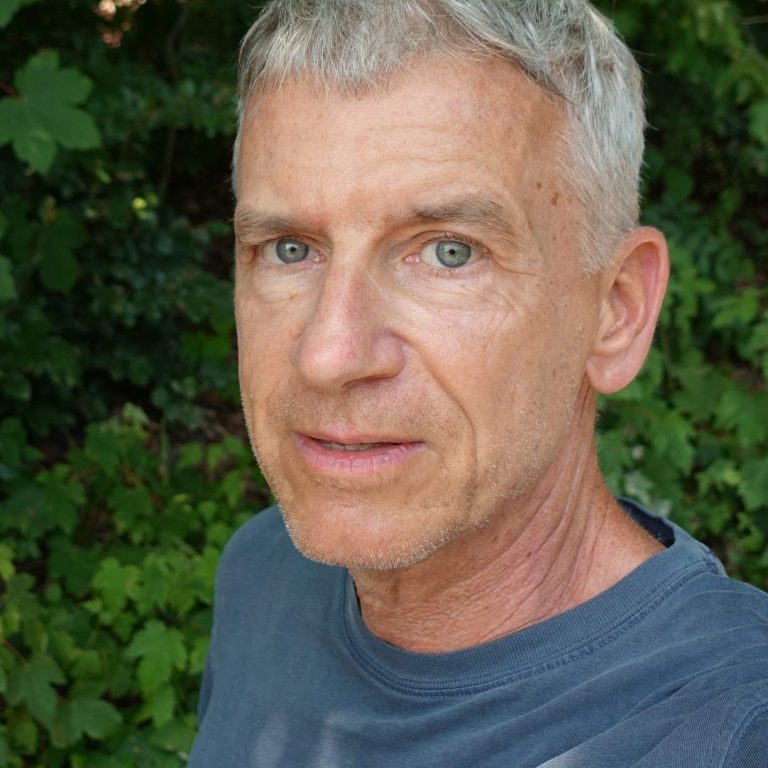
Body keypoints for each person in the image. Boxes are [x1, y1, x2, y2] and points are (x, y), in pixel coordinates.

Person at [189, 1, 768, 765]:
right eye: (289, 249)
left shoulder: (732, 728)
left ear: (617, 311)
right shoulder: (264, 572)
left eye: (449, 253)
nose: (328, 354)